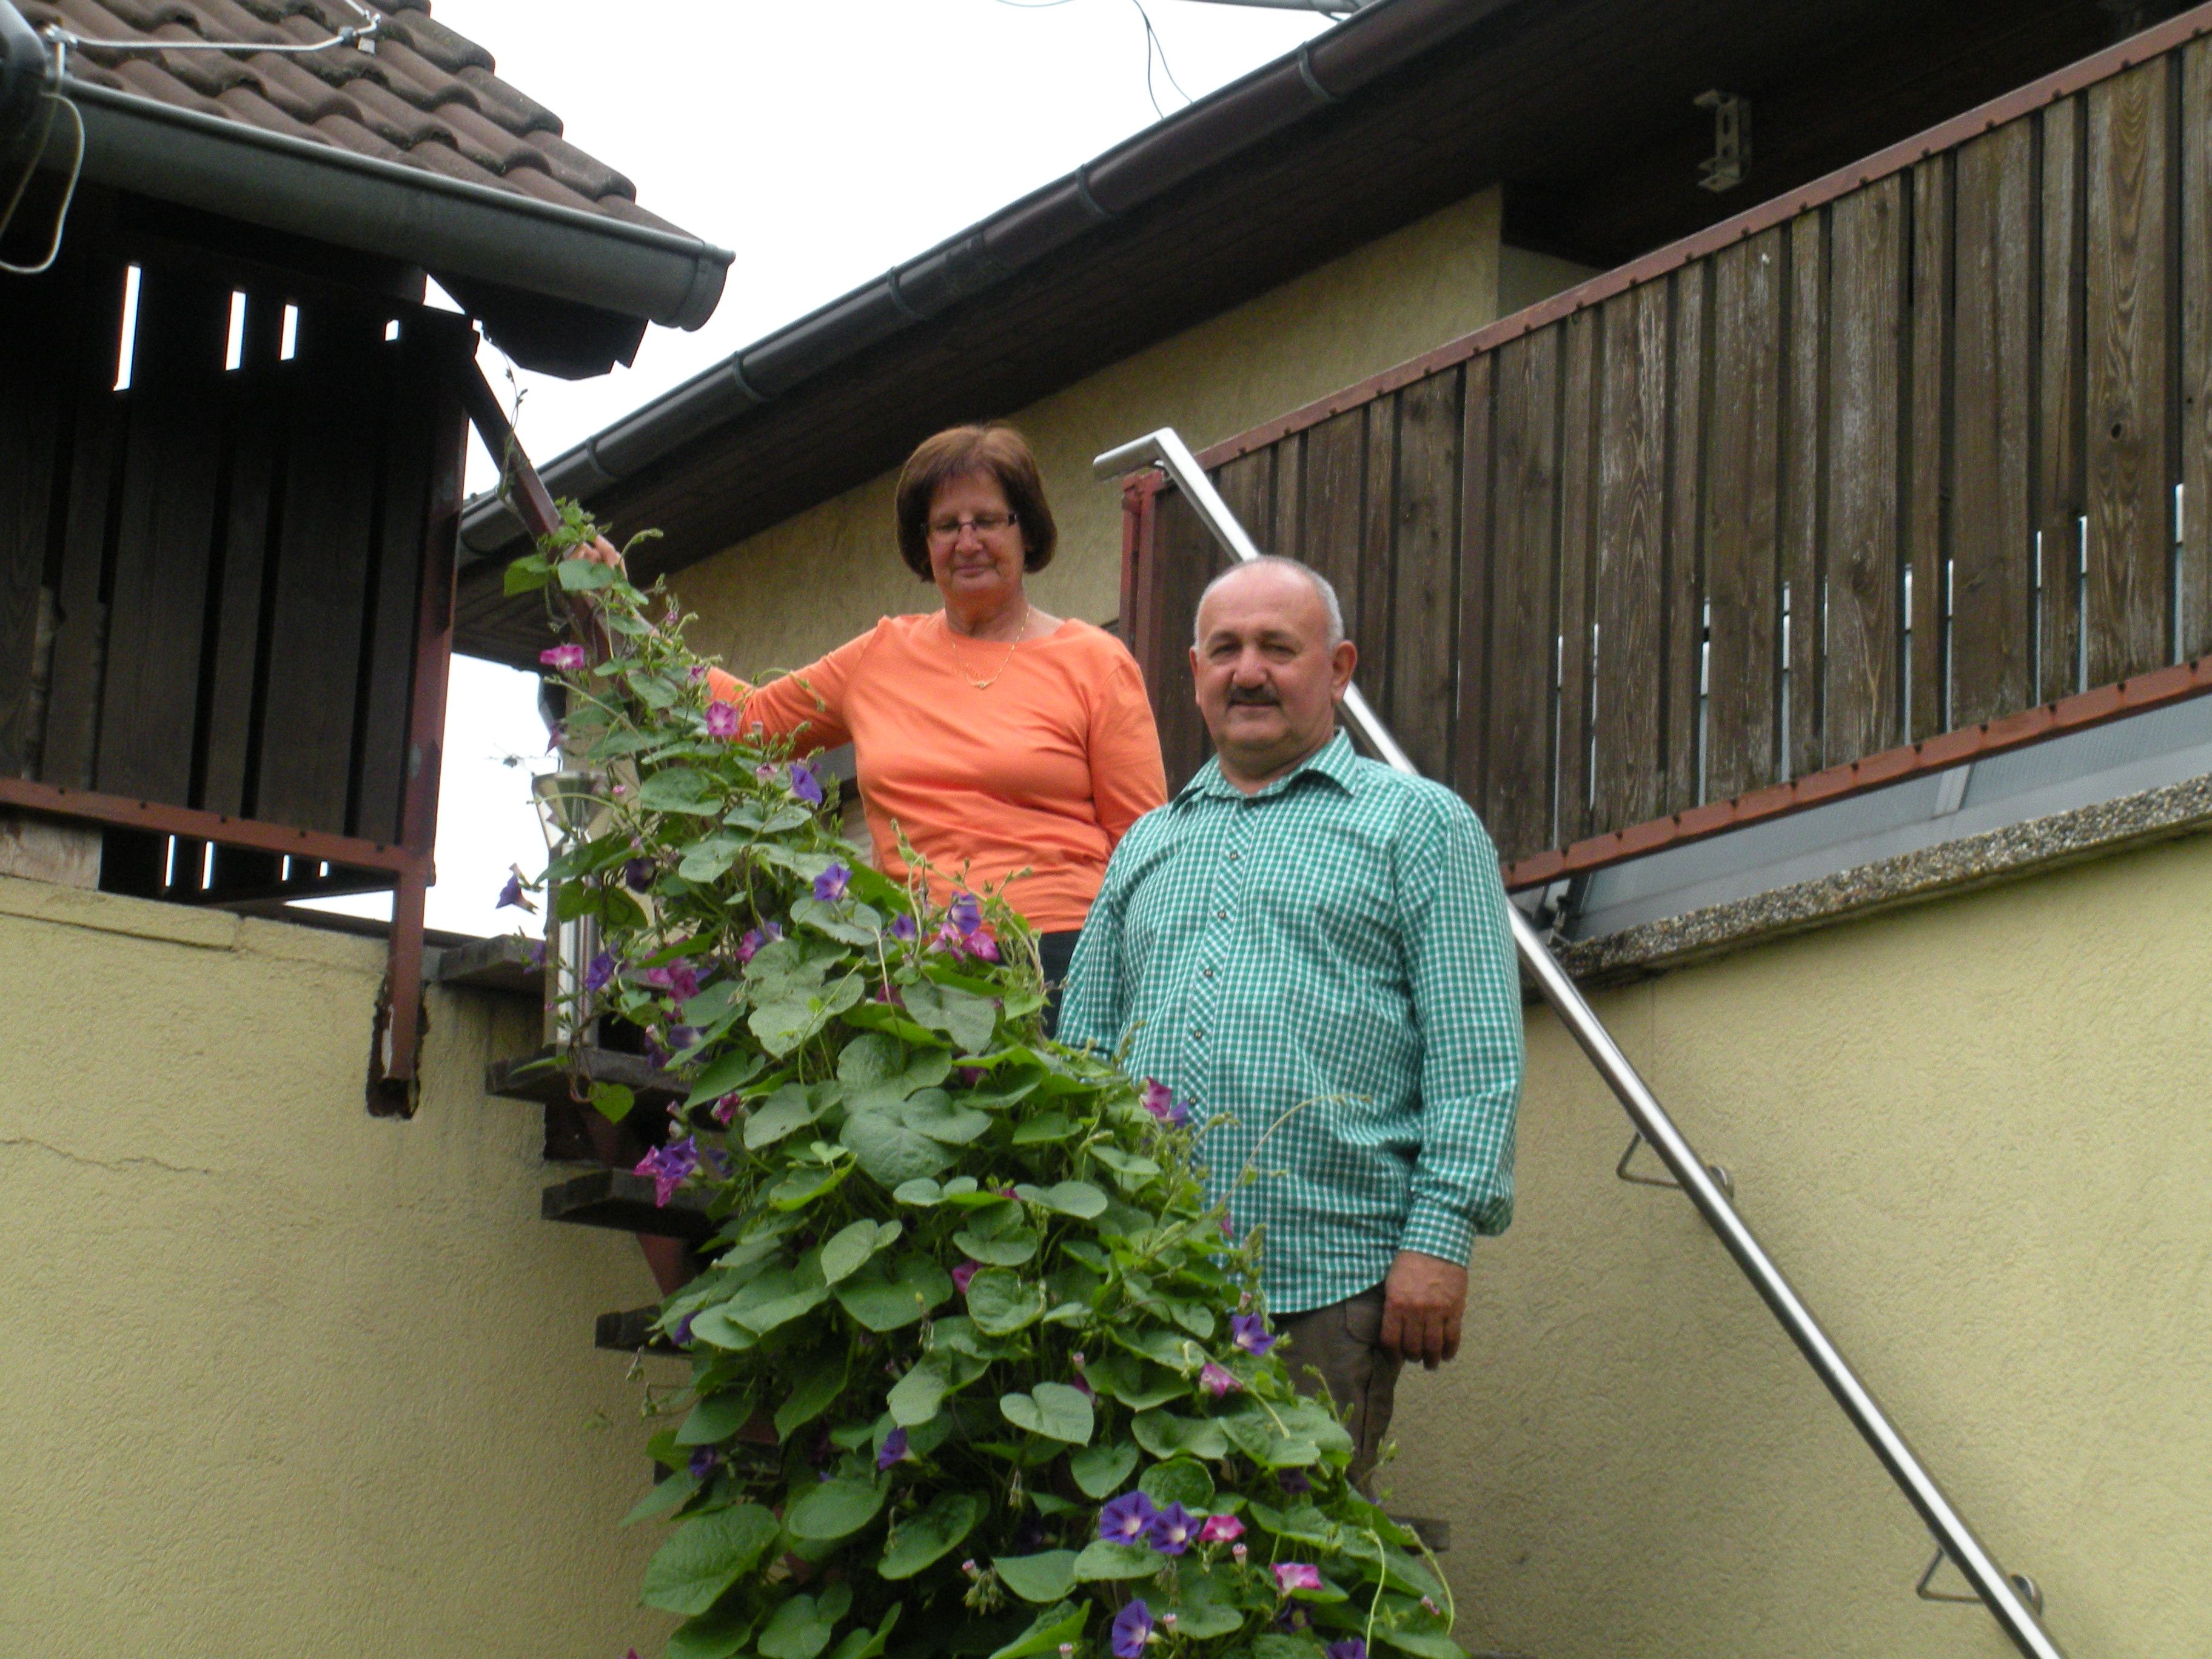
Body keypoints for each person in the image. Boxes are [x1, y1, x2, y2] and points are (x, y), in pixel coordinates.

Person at [1057, 555, 1523, 1490]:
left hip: (1327, 1277)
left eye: (1280, 647)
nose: (1250, 671)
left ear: (1340, 668)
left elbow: (1477, 1057)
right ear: (1194, 673)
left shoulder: (1420, 826)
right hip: (1141, 1286)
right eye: (1225, 650)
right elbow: (1082, 1057)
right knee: (1143, 1584)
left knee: (1288, 1593)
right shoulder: (1146, 846)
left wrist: (1440, 1240)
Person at [696, 424, 1167, 1024]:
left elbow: (1144, 846)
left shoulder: (1095, 662)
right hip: (918, 964)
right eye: (947, 526)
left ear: (1027, 532)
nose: (967, 542)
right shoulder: (880, 655)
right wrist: (627, 626)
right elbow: (754, 720)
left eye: (988, 521)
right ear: (925, 545)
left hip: (1068, 960)